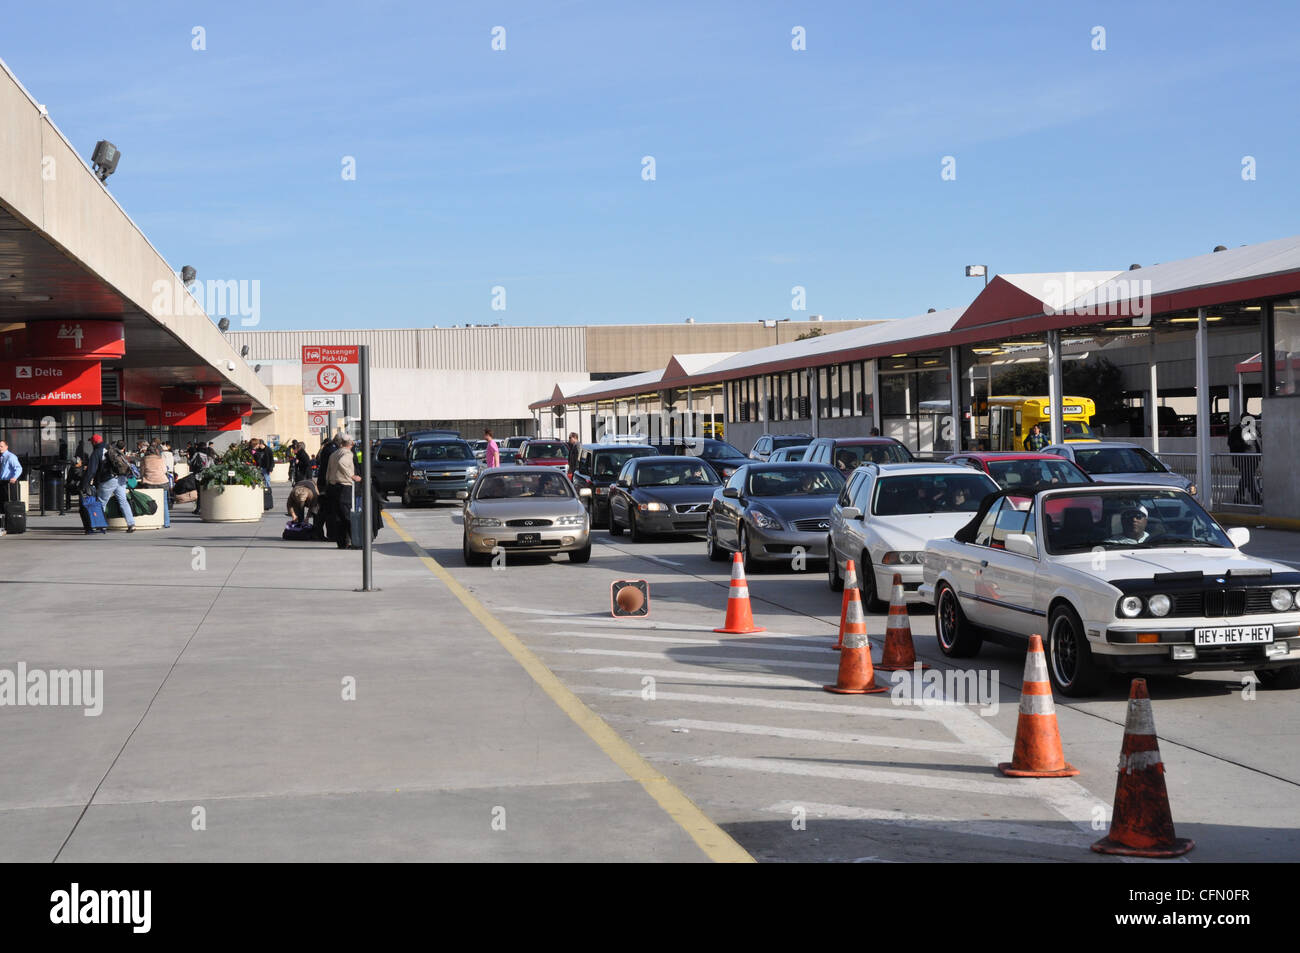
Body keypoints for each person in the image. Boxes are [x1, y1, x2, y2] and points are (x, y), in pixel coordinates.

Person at [325, 436, 361, 549]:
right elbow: (342, 462)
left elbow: (328, 470)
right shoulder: (347, 454)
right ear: (350, 444)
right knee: (347, 515)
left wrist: (329, 481)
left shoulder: (334, 453)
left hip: (332, 486)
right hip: (344, 486)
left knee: (338, 516)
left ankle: (341, 543)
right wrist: (352, 475)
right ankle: (354, 541)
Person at [97, 439, 137, 533]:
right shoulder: (121, 454)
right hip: (122, 479)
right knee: (123, 501)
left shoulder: (107, 454)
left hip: (110, 479)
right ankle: (131, 524)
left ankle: (100, 524)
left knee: (102, 502)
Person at [0, 439, 21, 536]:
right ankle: (1, 525)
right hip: (1, 482)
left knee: (6, 504)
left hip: (7, 483)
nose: (0, 448)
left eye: (1, 446)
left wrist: (14, 477)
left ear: (6, 447)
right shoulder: (0, 457)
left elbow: (18, 468)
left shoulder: (10, 457)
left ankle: (8, 525)